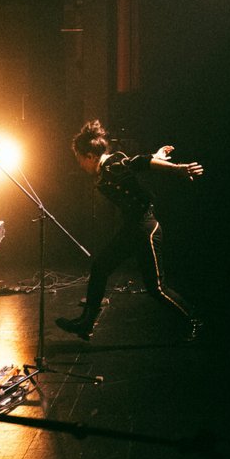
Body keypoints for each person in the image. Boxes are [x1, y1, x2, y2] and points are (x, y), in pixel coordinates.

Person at [56, 119, 203, 341]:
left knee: (156, 289)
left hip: (145, 228)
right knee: (100, 266)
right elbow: (140, 161)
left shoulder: (111, 165)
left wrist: (177, 168)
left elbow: (139, 162)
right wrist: (157, 156)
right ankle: (86, 323)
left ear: (90, 156)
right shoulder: (109, 167)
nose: (79, 164)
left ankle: (194, 320)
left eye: (79, 158)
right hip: (132, 228)